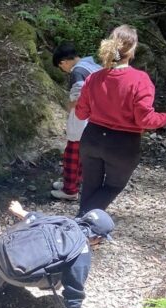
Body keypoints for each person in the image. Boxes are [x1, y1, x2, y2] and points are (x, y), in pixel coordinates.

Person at [74, 25, 166, 215]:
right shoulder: (140, 79)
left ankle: (79, 231)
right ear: (133, 50)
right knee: (112, 187)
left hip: (91, 138)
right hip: (122, 144)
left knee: (90, 187)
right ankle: (80, 226)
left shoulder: (93, 78)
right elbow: (145, 120)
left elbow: (80, 114)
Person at [0, 201, 114, 308]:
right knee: (65, 274)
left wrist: (19, 211)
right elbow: (74, 292)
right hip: (14, 275)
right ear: (97, 238)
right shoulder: (81, 252)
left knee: (12, 252)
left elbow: (36, 217)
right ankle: (45, 284)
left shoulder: (63, 220)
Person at [50, 42, 102, 201]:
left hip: (83, 120)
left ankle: (70, 190)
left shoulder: (77, 72)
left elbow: (80, 96)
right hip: (99, 119)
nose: (63, 71)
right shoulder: (94, 66)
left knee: (71, 156)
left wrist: (70, 105)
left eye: (61, 68)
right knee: (84, 155)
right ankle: (74, 182)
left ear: (63, 62)